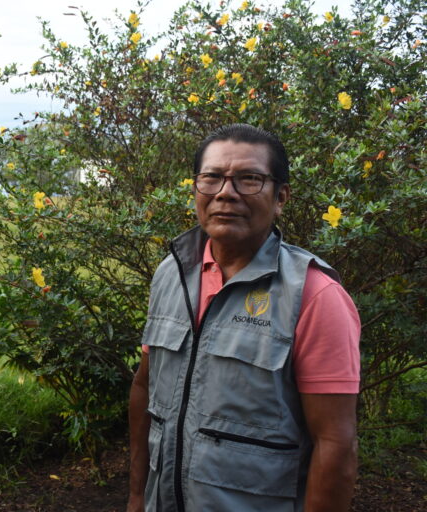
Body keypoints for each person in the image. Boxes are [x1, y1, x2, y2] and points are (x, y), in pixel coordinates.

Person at [127, 124, 360, 512]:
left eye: (249, 179)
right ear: (196, 188)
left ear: (280, 196)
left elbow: (335, 444)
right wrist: (137, 497)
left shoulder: (315, 295)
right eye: (212, 178)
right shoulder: (171, 274)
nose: (225, 193)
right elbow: (145, 387)